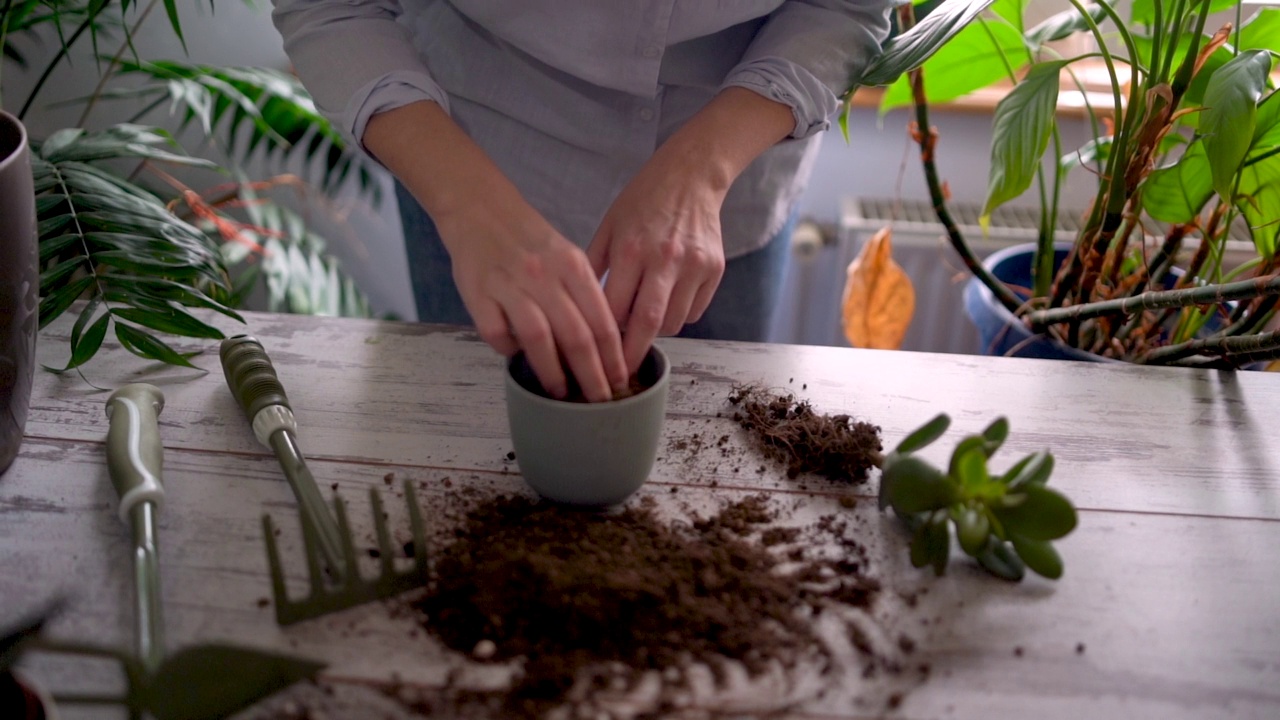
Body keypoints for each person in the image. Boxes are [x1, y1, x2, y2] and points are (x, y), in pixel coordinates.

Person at [271, 1, 892, 401]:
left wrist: (702, 168)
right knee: (474, 436)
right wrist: (470, 205)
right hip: (469, 151)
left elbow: (847, 6)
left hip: (735, 179)